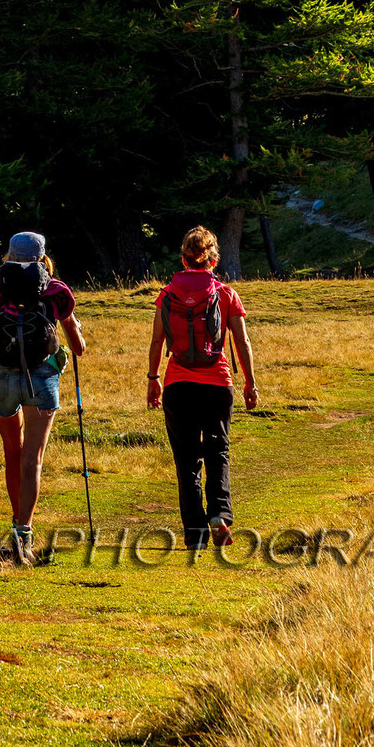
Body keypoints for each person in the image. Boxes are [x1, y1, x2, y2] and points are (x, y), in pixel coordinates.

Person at [0, 229, 86, 564]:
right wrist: (71, 346)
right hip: (42, 378)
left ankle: (15, 520)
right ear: (42, 256)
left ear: (9, 254)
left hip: (2, 376)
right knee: (32, 459)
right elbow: (77, 346)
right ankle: (24, 533)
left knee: (12, 451)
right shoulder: (56, 289)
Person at [146, 224, 257, 551]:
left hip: (178, 384)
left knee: (186, 460)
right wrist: (250, 384)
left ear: (183, 259)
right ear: (213, 260)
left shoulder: (166, 295)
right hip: (217, 383)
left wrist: (153, 380)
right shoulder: (225, 294)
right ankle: (220, 515)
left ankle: (195, 534)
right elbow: (242, 341)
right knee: (217, 450)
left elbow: (157, 341)